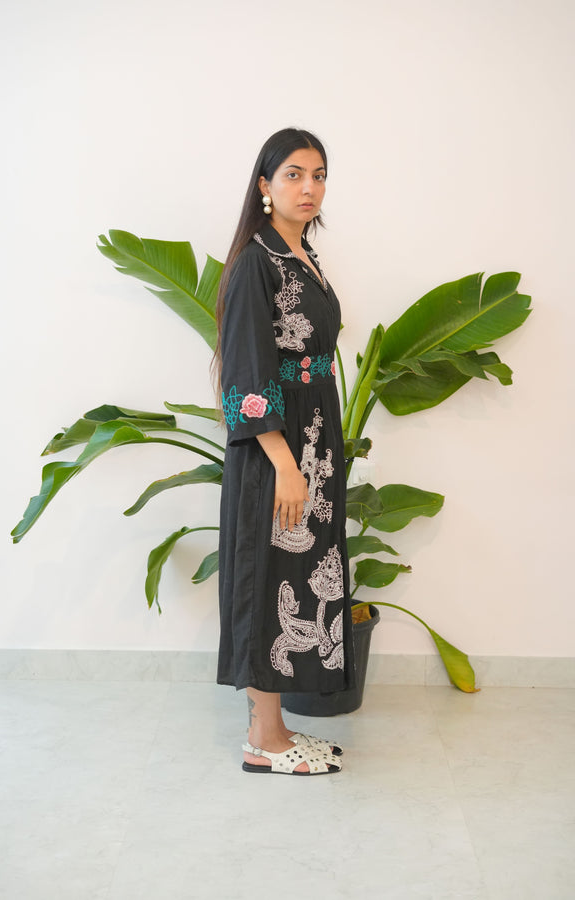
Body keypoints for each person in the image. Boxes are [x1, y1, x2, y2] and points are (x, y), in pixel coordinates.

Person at [214, 128, 354, 775]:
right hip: (279, 450)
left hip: (315, 439)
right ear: (265, 185)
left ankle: (274, 726)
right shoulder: (255, 262)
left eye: (318, 175)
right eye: (294, 174)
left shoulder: (304, 255)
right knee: (271, 577)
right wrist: (284, 465)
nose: (309, 187)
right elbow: (244, 370)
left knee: (297, 578)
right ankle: (263, 742)